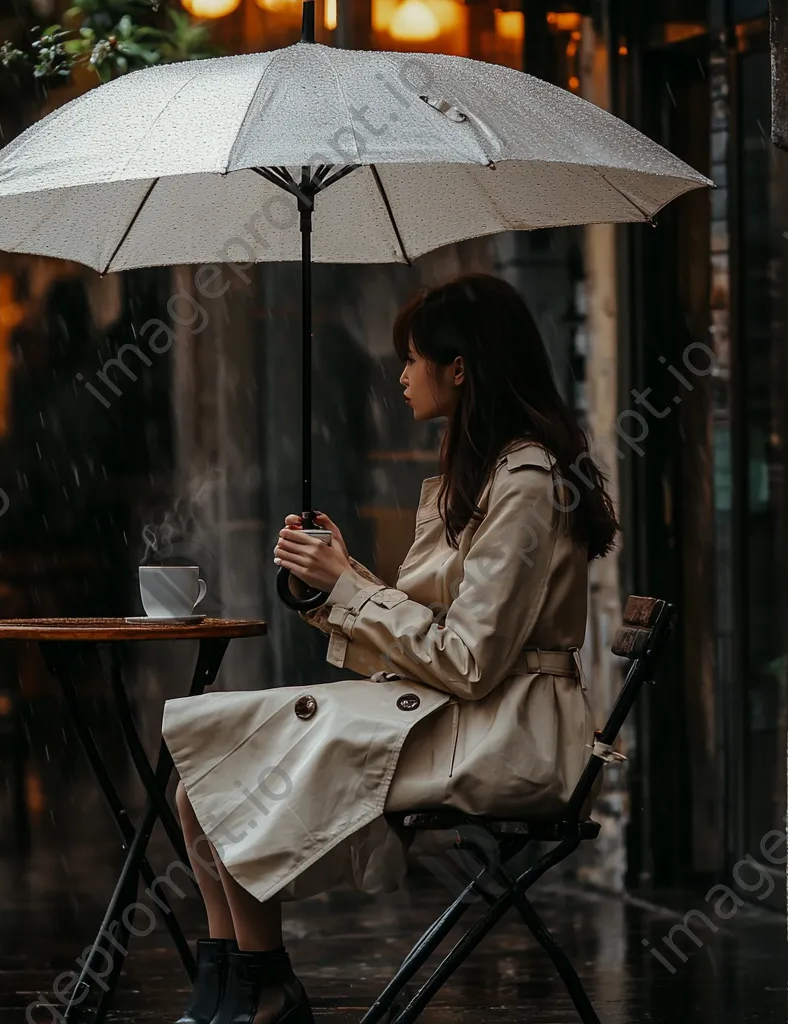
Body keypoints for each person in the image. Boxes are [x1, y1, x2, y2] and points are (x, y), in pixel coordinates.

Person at [161, 272, 620, 1024]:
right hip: (462, 713)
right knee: (198, 780)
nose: (401, 376)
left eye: (412, 359)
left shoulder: (528, 483)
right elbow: (430, 628)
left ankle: (259, 994)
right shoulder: (481, 475)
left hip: (507, 733)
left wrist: (349, 586)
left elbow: (468, 661)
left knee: (227, 777)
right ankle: (237, 982)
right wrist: (337, 580)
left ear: (461, 368)